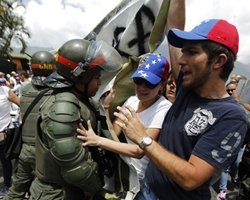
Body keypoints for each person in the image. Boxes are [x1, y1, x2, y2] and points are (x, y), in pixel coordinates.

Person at [113, 18, 248, 200]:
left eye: (191, 52)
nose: (181, 60)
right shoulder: (187, 87)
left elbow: (191, 178)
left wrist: (142, 138)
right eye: (182, 52)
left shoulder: (231, 116)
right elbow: (173, 24)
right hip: (145, 189)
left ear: (218, 61)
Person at [28, 38, 123, 200]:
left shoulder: (79, 98)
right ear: (81, 77)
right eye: (97, 77)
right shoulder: (63, 108)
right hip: (59, 194)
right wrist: (97, 189)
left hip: (74, 189)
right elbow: (75, 169)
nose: (100, 82)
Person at [77, 53, 172, 199]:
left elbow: (139, 151)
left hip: (144, 184)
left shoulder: (163, 108)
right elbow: (114, 134)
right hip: (123, 175)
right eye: (139, 81)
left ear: (163, 83)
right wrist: (106, 107)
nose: (142, 87)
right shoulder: (131, 101)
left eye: (149, 83)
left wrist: (97, 140)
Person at [4, 51, 56, 200]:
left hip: (26, 150)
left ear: (32, 69)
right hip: (46, 151)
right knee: (46, 189)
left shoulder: (25, 89)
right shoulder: (57, 92)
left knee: (16, 190)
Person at [0, 77, 20, 198]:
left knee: (5, 161)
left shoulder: (5, 91)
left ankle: (7, 185)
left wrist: (21, 121)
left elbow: (21, 104)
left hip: (3, 134)